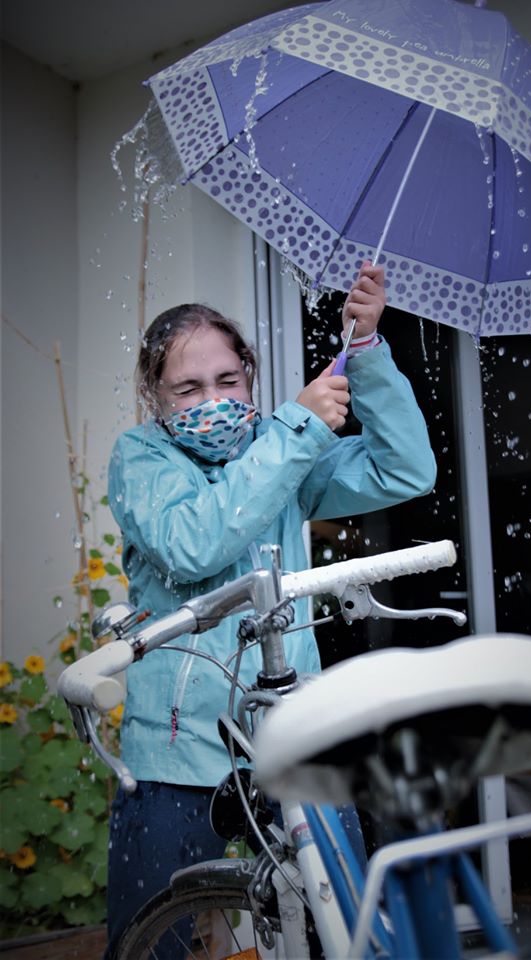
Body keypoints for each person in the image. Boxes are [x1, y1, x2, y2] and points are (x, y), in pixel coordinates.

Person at [104, 262, 436, 955]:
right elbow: (195, 544)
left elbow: (406, 469)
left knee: (333, 933)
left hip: (291, 736)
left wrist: (367, 352)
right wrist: (297, 427)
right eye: (188, 387)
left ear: (250, 376)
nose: (214, 398)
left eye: (229, 380)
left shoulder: (281, 449)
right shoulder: (139, 457)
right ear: (153, 396)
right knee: (149, 945)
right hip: (174, 754)